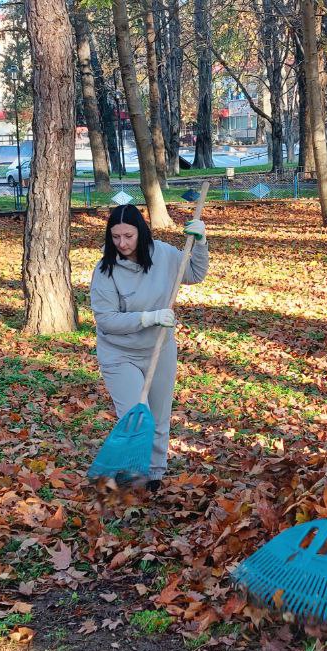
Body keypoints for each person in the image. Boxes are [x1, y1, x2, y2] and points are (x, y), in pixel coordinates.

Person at [90, 204, 209, 492]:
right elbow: (106, 320)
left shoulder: (165, 255)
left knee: (158, 415)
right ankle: (129, 474)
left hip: (159, 348)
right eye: (116, 237)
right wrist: (149, 318)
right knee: (134, 415)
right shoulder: (105, 271)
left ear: (141, 232)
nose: (122, 244)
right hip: (119, 353)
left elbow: (194, 273)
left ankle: (154, 474)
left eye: (128, 236)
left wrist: (202, 242)